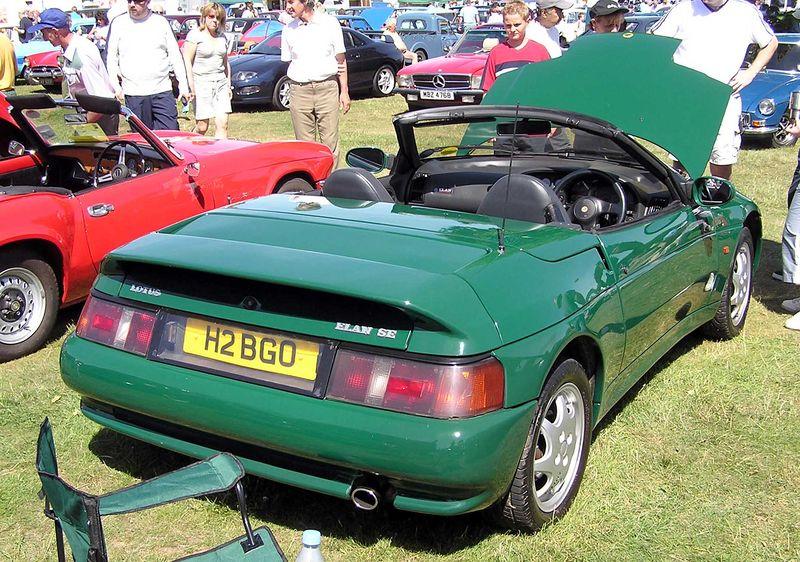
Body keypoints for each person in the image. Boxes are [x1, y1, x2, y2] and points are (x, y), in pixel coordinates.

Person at [652, 0, 777, 180]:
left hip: (724, 97)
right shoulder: (684, 8)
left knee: (722, 158)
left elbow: (770, 43)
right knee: (682, 160)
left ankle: (719, 201)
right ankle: (683, 202)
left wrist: (749, 73)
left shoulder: (745, 12)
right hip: (686, 98)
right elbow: (655, 40)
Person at [281, 0, 350, 164]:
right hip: (299, 91)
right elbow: (289, 61)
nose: (287, 7)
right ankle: (310, 187)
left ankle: (331, 185)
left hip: (327, 89)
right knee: (304, 147)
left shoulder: (329, 23)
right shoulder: (288, 29)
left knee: (330, 144)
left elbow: (341, 60)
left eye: (291, 2)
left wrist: (344, 91)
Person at [31, 8, 119, 135]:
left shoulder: (80, 53)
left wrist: (84, 123)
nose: (44, 38)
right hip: (89, 112)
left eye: (44, 32)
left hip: (99, 115)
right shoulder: (70, 49)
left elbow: (101, 99)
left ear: (55, 32)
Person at [106, 0, 191, 130]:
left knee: (171, 136)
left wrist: (183, 86)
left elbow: (175, 56)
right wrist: (116, 87)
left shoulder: (160, 23)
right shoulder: (118, 23)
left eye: (137, 1)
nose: (132, 4)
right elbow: (111, 58)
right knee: (142, 141)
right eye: (129, 1)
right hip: (134, 93)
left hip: (162, 90)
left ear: (147, 2)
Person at [183, 3, 232, 138]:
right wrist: (190, 85)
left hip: (220, 83)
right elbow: (187, 60)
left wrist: (228, 84)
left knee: (223, 124)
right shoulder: (195, 36)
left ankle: (220, 155)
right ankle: (189, 144)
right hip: (201, 83)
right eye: (211, 16)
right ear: (204, 17)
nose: (215, 21)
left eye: (219, 18)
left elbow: (225, 62)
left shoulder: (222, 37)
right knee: (202, 126)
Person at [480, 1, 549, 91]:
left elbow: (548, 86)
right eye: (508, 26)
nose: (512, 29)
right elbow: (487, 91)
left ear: (527, 22)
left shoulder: (540, 52)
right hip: (504, 105)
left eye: (517, 25)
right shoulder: (496, 53)